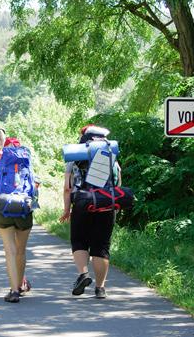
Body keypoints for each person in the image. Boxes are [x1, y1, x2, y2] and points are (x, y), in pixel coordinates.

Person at [60, 124, 121, 299]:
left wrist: (66, 209)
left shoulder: (75, 158)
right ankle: (100, 288)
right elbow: (117, 184)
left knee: (79, 241)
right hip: (106, 205)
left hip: (81, 203)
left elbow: (67, 187)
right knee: (101, 246)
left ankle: (83, 274)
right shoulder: (111, 157)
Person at [0, 136, 36, 303]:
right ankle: (20, 285)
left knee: (10, 250)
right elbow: (34, 187)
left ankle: (13, 291)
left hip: (4, 207)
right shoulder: (27, 162)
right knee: (21, 251)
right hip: (24, 208)